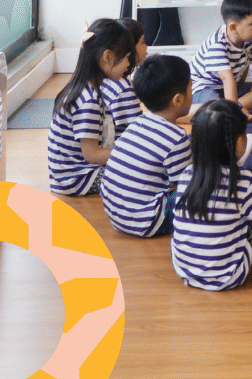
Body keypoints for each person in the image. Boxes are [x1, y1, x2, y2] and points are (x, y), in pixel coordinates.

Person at [172, 99, 252, 290]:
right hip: (228, 275)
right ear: (237, 142)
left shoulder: (186, 174)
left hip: (185, 270)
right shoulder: (241, 181)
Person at [100, 55, 193, 237]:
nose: (193, 93)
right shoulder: (176, 137)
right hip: (148, 221)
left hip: (115, 214)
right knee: (206, 187)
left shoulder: (138, 122)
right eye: (191, 87)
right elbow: (187, 183)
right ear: (178, 100)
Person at [47, 19, 134, 195]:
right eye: (126, 57)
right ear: (108, 57)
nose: (128, 64)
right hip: (77, 178)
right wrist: (129, 154)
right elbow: (92, 155)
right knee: (140, 171)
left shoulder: (85, 88)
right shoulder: (89, 101)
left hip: (71, 174)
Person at [186, 0, 252, 122]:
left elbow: (245, 65)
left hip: (227, 86)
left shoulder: (250, 38)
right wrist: (235, 112)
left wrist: (236, 102)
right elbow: (227, 78)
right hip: (204, 87)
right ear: (233, 27)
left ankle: (230, 107)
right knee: (216, 109)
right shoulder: (217, 44)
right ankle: (181, 115)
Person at [100, 17, 147, 137]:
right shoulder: (123, 90)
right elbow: (136, 134)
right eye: (142, 42)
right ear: (129, 49)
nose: (146, 46)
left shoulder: (104, 79)